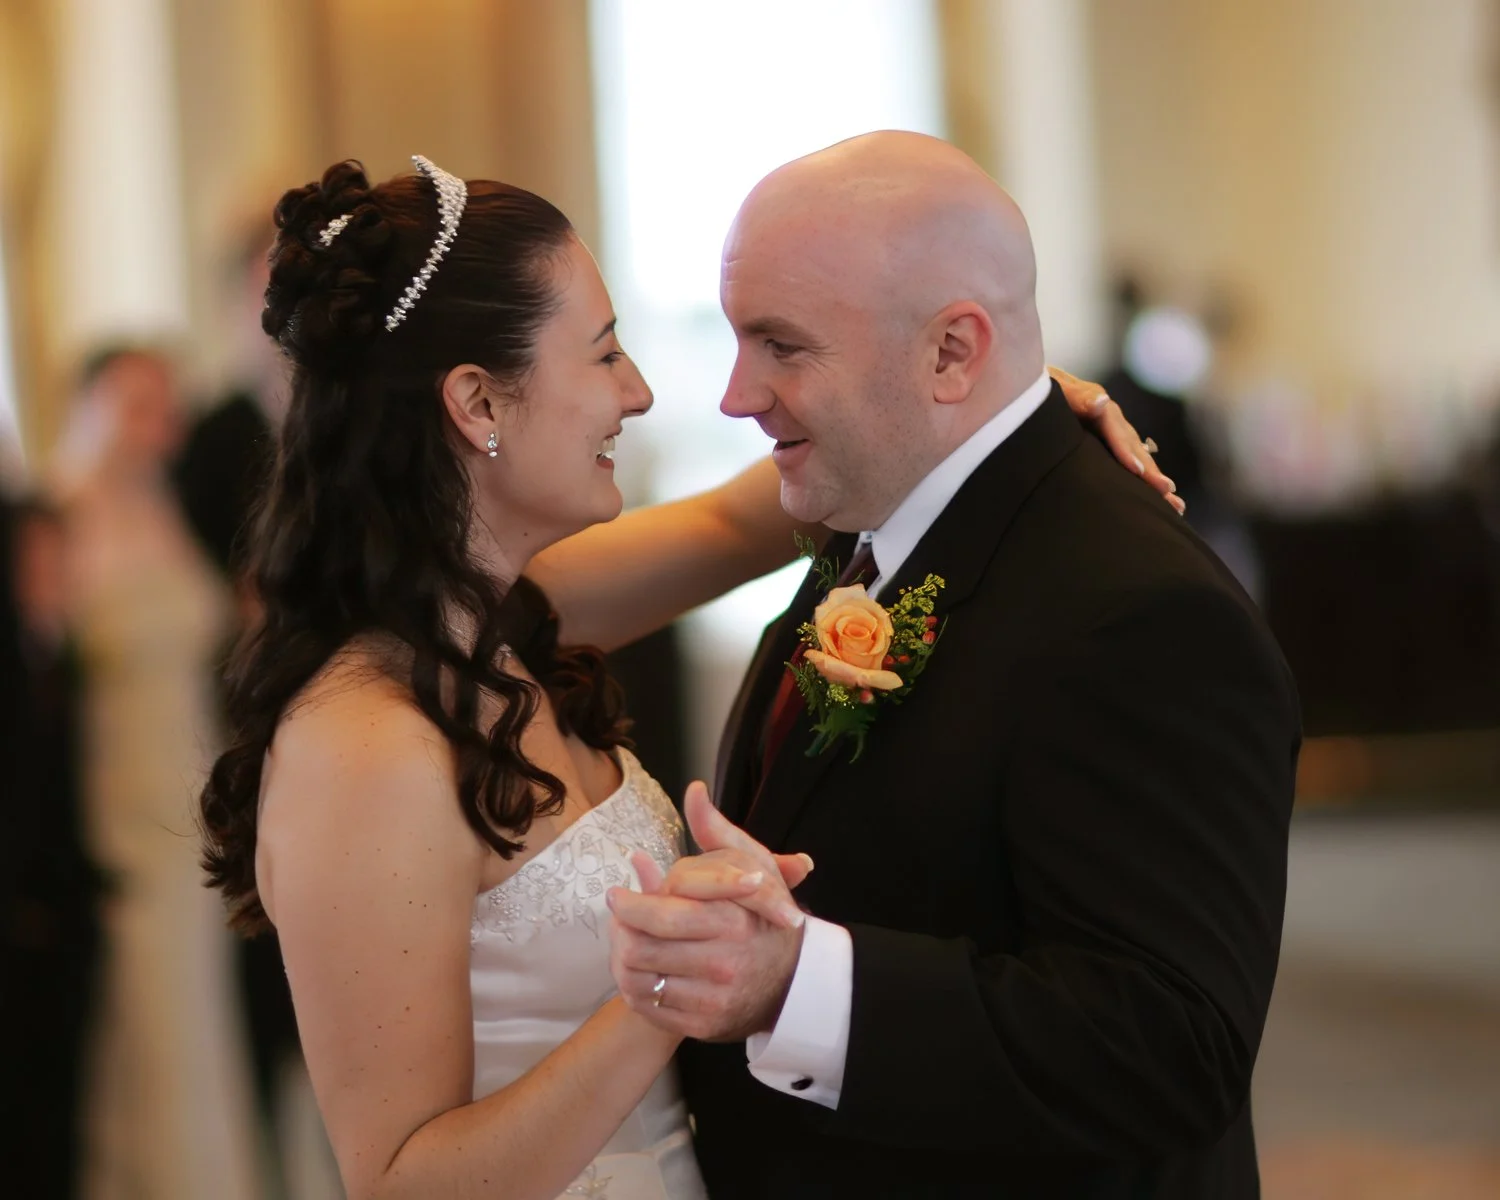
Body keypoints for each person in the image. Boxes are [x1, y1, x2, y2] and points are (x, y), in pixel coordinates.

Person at [197, 155, 1169, 1200]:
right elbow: (399, 1181)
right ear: (479, 401)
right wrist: (668, 990)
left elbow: (742, 518)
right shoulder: (365, 741)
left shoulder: (506, 619)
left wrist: (1012, 400)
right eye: (604, 353)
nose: (642, 392)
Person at [606, 132, 1301, 1199]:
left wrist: (800, 986)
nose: (736, 395)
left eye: (783, 346)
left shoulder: (1140, 612)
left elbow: (1172, 1048)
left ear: (950, 355)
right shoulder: (879, 513)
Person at [54, 348, 262, 1200]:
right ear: (90, 405)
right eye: (136, 404)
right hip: (115, 797)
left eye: (165, 406)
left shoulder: (169, 511)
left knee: (200, 1013)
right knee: (140, 1016)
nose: (158, 426)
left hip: (189, 785)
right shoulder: (60, 521)